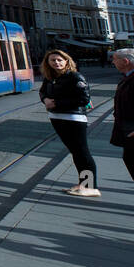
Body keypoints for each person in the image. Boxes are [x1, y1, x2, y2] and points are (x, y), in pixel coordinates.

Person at [39, 50, 99, 197]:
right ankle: (83, 184)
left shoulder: (75, 76)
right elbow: (42, 92)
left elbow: (84, 99)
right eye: (52, 60)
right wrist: (45, 100)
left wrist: (57, 103)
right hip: (57, 117)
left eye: (59, 60)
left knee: (82, 152)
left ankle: (91, 187)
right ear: (47, 63)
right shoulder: (50, 77)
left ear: (67, 61)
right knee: (75, 152)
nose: (56, 63)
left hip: (74, 118)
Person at [110, 48, 134, 188]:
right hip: (129, 130)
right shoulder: (130, 77)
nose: (113, 62)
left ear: (125, 61)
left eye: (115, 59)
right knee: (130, 159)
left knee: (132, 160)